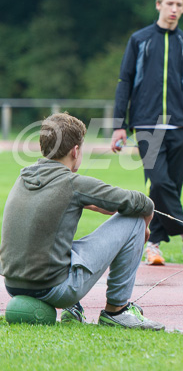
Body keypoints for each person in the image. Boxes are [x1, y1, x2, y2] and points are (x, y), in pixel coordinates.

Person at [0, 113, 164, 329]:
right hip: (54, 288)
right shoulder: (73, 183)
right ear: (75, 151)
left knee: (56, 234)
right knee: (134, 220)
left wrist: (88, 204)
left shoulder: (23, 178)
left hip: (13, 285)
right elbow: (142, 203)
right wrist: (146, 225)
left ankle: (73, 308)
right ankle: (117, 311)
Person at [111, 0, 183, 267]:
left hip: (179, 129)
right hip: (147, 127)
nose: (174, 10)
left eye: (179, 5)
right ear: (158, 5)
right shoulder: (139, 40)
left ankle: (152, 244)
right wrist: (120, 125)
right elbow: (124, 82)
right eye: (169, 4)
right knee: (161, 181)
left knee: (167, 190)